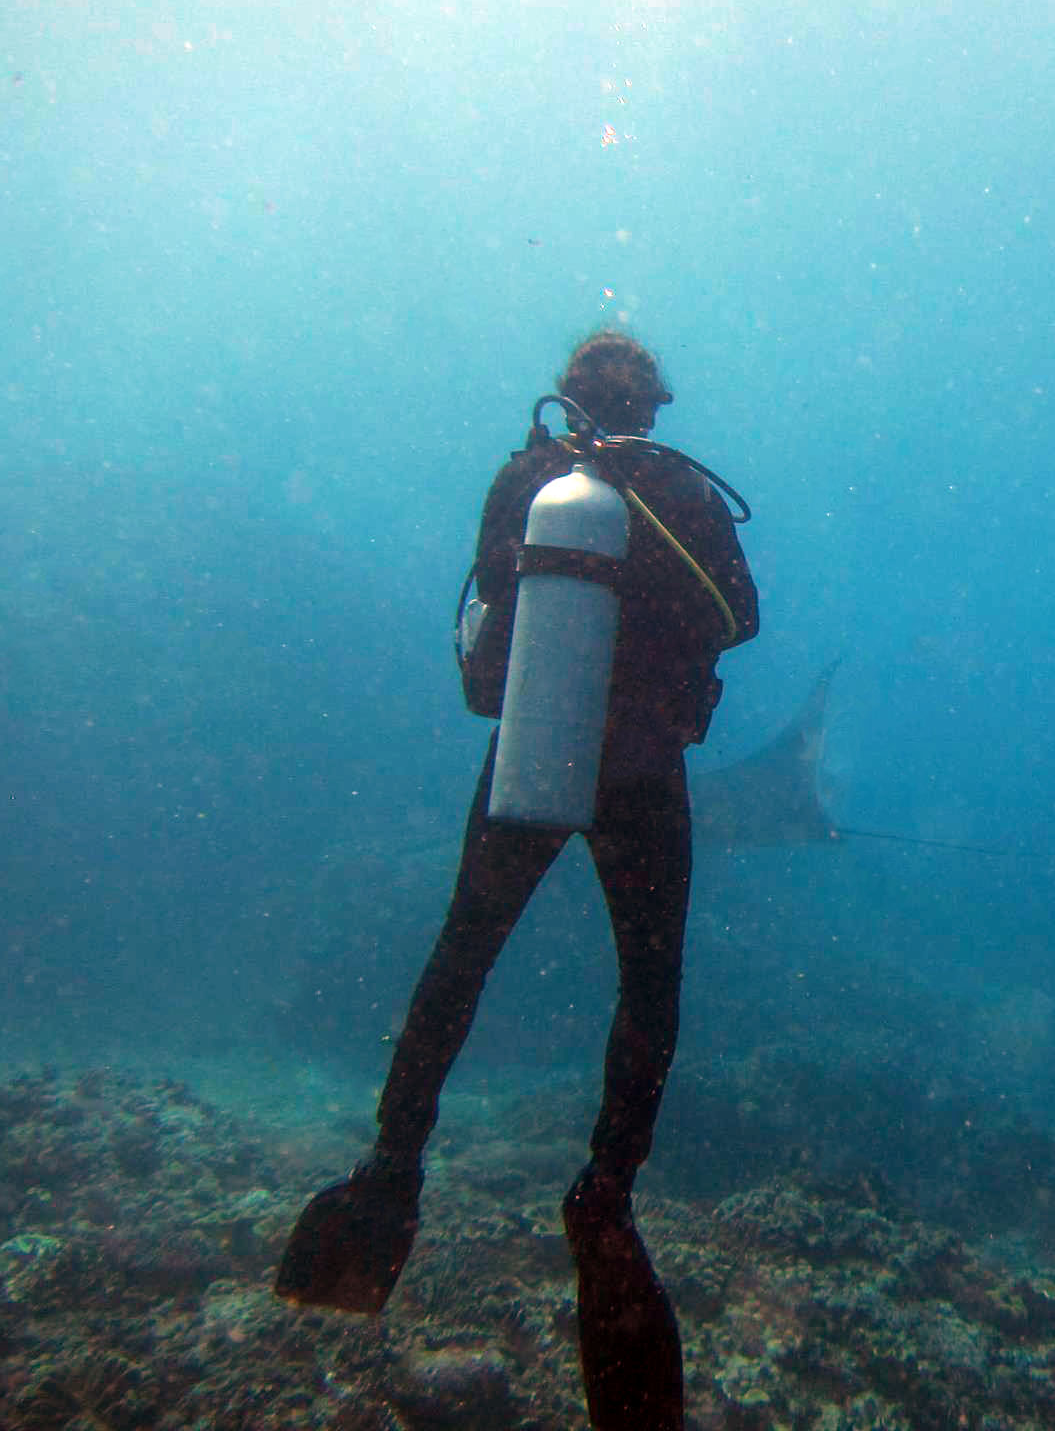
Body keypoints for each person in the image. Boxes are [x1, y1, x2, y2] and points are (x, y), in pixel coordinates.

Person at [275, 330, 759, 1431]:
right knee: (649, 990)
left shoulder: (527, 478)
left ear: (566, 397)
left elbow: (491, 594)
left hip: (531, 755)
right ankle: (606, 1194)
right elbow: (738, 616)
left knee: (462, 956)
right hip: (641, 771)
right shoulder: (682, 490)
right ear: (655, 406)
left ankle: (393, 1163)